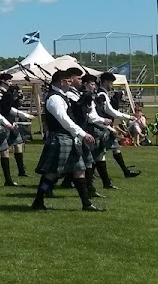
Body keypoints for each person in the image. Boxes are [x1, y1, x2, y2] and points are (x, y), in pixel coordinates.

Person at [31, 68, 99, 212]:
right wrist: (82, 134)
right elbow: (64, 119)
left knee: (80, 170)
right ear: (62, 82)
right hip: (60, 138)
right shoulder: (54, 98)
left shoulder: (62, 96)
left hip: (69, 138)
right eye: (68, 81)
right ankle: (38, 200)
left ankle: (86, 204)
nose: (71, 83)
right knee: (51, 173)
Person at [0, 78, 34, 179]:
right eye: (9, 81)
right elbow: (9, 109)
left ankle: (21, 171)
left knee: (18, 144)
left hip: (11, 122)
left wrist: (19, 98)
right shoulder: (0, 94)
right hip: (3, 123)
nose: (10, 83)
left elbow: (16, 105)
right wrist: (25, 115)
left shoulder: (9, 93)